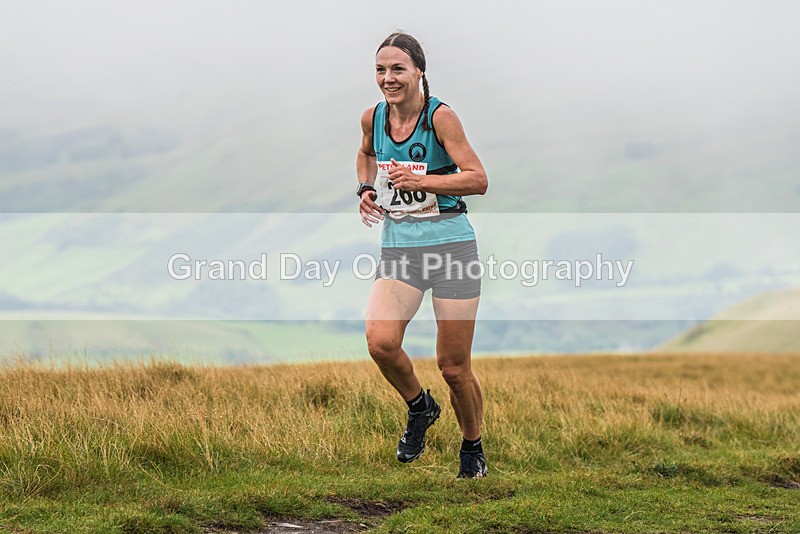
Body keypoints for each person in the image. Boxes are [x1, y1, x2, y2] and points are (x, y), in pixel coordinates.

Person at [355, 32, 489, 478]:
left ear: (418, 72)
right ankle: (420, 407)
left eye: (398, 69)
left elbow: (477, 179)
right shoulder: (373, 117)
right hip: (400, 249)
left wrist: (423, 181)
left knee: (453, 367)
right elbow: (365, 154)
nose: (388, 78)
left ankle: (472, 447)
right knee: (381, 342)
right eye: (381, 70)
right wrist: (366, 188)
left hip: (451, 249)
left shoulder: (440, 117)